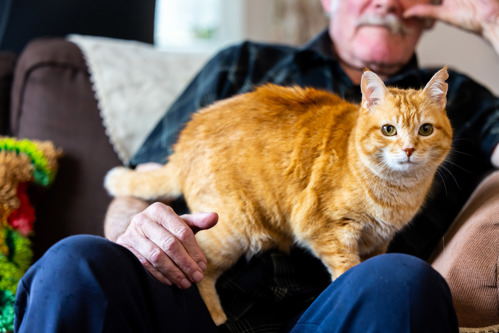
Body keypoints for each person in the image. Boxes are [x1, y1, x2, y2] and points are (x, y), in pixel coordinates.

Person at [14, 0, 499, 332]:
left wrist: (493, 21)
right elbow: (139, 184)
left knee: (404, 282)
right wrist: (136, 228)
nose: (384, 3)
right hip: (194, 301)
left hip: (346, 311)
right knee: (71, 263)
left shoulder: (456, 104)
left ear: (431, 11)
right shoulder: (243, 63)